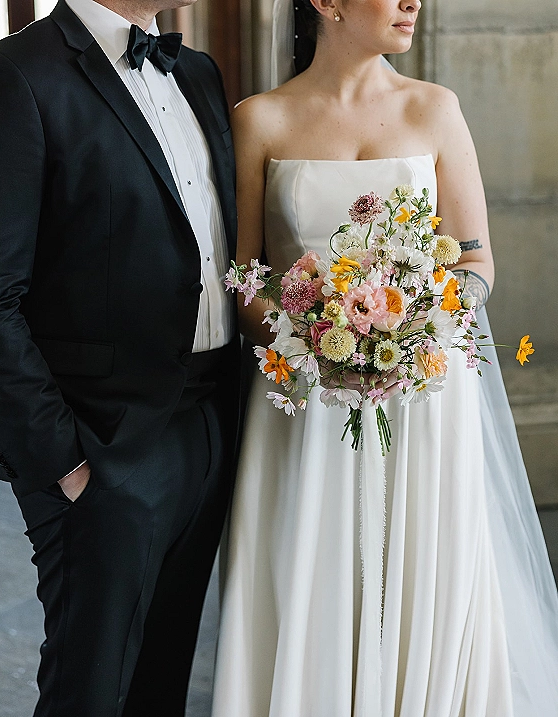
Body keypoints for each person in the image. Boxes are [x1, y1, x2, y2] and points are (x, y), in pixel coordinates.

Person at [211, 0, 558, 715]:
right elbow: (244, 282)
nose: (412, 3)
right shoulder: (259, 119)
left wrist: (413, 329)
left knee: (427, 579)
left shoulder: (435, 109)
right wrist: (313, 335)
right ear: (328, 3)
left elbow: (477, 262)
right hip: (306, 406)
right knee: (316, 575)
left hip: (426, 401)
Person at [0, 0, 239, 714]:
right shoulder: (13, 76)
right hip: (101, 445)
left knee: (162, 683)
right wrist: (64, 463)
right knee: (88, 693)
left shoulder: (200, 73)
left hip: (209, 422)